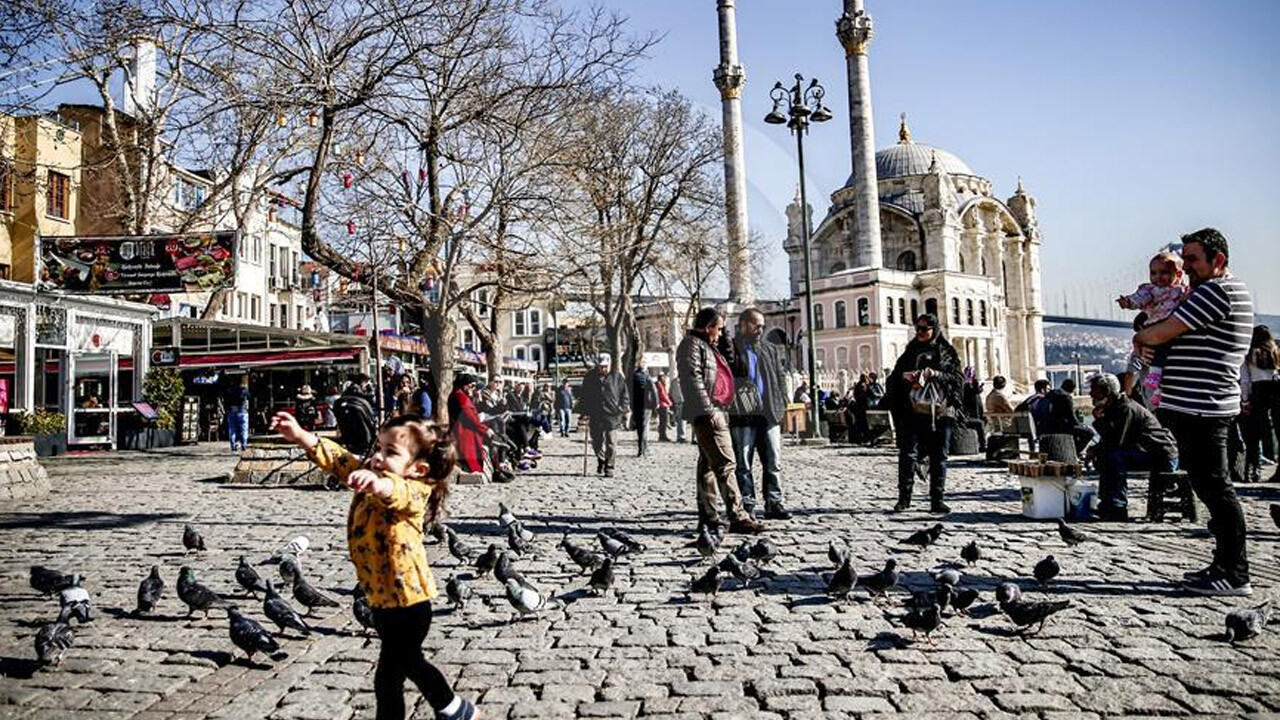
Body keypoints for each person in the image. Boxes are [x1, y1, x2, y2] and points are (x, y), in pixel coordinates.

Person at [270, 411, 476, 720]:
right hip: (382, 602)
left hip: (409, 604)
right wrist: (302, 437)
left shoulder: (416, 490)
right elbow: (340, 461)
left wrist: (379, 485)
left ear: (418, 469)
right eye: (377, 448)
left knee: (394, 674)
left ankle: (455, 709)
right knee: (403, 669)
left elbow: (398, 493)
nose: (377, 458)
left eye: (390, 452)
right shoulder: (370, 473)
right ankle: (453, 709)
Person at [1135, 228, 1253, 596]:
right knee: (1208, 484)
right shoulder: (1213, 292)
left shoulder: (1216, 292)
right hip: (1199, 404)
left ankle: (1235, 572)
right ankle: (1223, 564)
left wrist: (1143, 338)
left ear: (1217, 261)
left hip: (1204, 406)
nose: (1185, 267)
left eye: (1191, 260)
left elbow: (1160, 332)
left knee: (1216, 487)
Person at [676, 307, 764, 535]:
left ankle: (710, 517)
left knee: (707, 467)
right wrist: (708, 410)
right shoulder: (692, 345)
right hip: (709, 412)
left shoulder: (709, 346)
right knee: (726, 464)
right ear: (708, 328)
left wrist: (723, 335)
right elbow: (692, 379)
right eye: (719, 329)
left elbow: (729, 358)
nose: (721, 333)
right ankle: (738, 515)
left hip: (716, 410)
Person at [882, 313, 963, 514]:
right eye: (917, 328)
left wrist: (936, 374)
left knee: (939, 456)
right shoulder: (910, 352)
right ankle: (904, 498)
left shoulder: (946, 351)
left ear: (934, 329)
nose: (920, 332)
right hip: (912, 410)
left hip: (941, 411)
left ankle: (937, 499)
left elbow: (957, 379)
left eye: (924, 329)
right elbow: (894, 379)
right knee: (907, 455)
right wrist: (905, 376)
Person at [1085, 373, 1178, 521]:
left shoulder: (1126, 408)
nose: (1090, 394)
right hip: (1144, 451)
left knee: (1113, 456)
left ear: (1107, 392)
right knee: (1105, 456)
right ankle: (1107, 503)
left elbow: (1116, 441)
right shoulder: (1113, 408)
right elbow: (1110, 438)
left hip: (1161, 455)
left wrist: (1098, 422)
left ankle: (1117, 506)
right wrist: (1094, 450)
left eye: (1094, 390)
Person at [727, 308, 791, 520]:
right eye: (756, 325)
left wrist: (782, 402)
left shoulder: (769, 349)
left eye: (762, 326)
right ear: (744, 324)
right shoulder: (731, 348)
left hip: (769, 413)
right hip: (743, 415)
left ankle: (774, 502)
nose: (759, 330)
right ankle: (747, 503)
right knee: (743, 463)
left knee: (773, 461)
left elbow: (780, 377)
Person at [1118, 251, 1190, 408]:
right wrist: (1129, 302)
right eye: (1153, 273)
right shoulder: (1150, 290)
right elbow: (1140, 298)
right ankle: (1156, 386)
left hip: (1172, 328)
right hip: (1156, 327)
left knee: (1163, 354)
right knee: (1158, 353)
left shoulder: (1183, 290)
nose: (1158, 277)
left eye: (1164, 273)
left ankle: (1157, 390)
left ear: (1178, 274)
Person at [1240, 325, 1279, 483]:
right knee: (1277, 431)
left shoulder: (1249, 354)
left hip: (1257, 391)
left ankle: (1251, 470)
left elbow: (1245, 380)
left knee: (1253, 434)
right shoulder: (1276, 352)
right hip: (1276, 390)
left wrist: (1245, 400)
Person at [580, 354, 628, 477]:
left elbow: (625, 395)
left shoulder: (617, 377)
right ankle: (601, 459)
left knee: (611, 442)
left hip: (612, 414)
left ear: (610, 365)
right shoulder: (590, 377)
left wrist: (622, 408)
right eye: (601, 367)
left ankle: (609, 466)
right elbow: (584, 396)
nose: (604, 369)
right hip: (596, 414)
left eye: (606, 366)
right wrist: (584, 412)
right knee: (596, 442)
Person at [447, 373, 490, 477]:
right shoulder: (460, 396)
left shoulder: (463, 395)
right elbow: (470, 418)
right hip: (463, 431)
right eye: (472, 385)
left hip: (466, 428)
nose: (473, 388)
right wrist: (486, 430)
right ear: (465, 385)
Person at [1041, 378, 1094, 454]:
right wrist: (1082, 425)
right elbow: (1071, 417)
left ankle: (1069, 450)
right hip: (1059, 428)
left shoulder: (1051, 394)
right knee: (1089, 433)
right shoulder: (1065, 398)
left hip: (1047, 427)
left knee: (1077, 431)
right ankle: (1074, 452)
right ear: (1072, 388)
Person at [631, 359, 655, 456]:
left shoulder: (633, 377)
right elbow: (654, 391)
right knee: (645, 428)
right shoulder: (647, 377)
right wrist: (656, 403)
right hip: (646, 406)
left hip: (635, 405)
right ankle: (643, 450)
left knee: (640, 428)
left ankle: (643, 448)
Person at [960, 368, 987, 453]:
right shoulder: (966, 386)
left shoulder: (968, 385)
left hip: (974, 412)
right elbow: (975, 391)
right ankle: (982, 444)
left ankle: (981, 442)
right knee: (980, 424)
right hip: (967, 416)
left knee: (983, 421)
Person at [225, 375, 251, 452]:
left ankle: (233, 446)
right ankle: (243, 445)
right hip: (242, 410)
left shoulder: (229, 390)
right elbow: (250, 396)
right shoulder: (244, 390)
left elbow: (226, 399)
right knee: (244, 428)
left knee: (232, 429)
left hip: (232, 410)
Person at [668, 372, 687, 443]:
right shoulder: (684, 381)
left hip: (677, 402)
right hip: (682, 401)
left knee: (680, 420)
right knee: (682, 419)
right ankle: (682, 436)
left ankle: (681, 435)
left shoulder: (673, 381)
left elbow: (670, 392)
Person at [655, 373, 674, 442]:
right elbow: (663, 395)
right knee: (664, 421)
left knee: (662, 421)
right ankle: (663, 436)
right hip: (663, 405)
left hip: (661, 405)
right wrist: (669, 402)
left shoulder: (657, 384)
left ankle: (662, 435)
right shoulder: (660, 385)